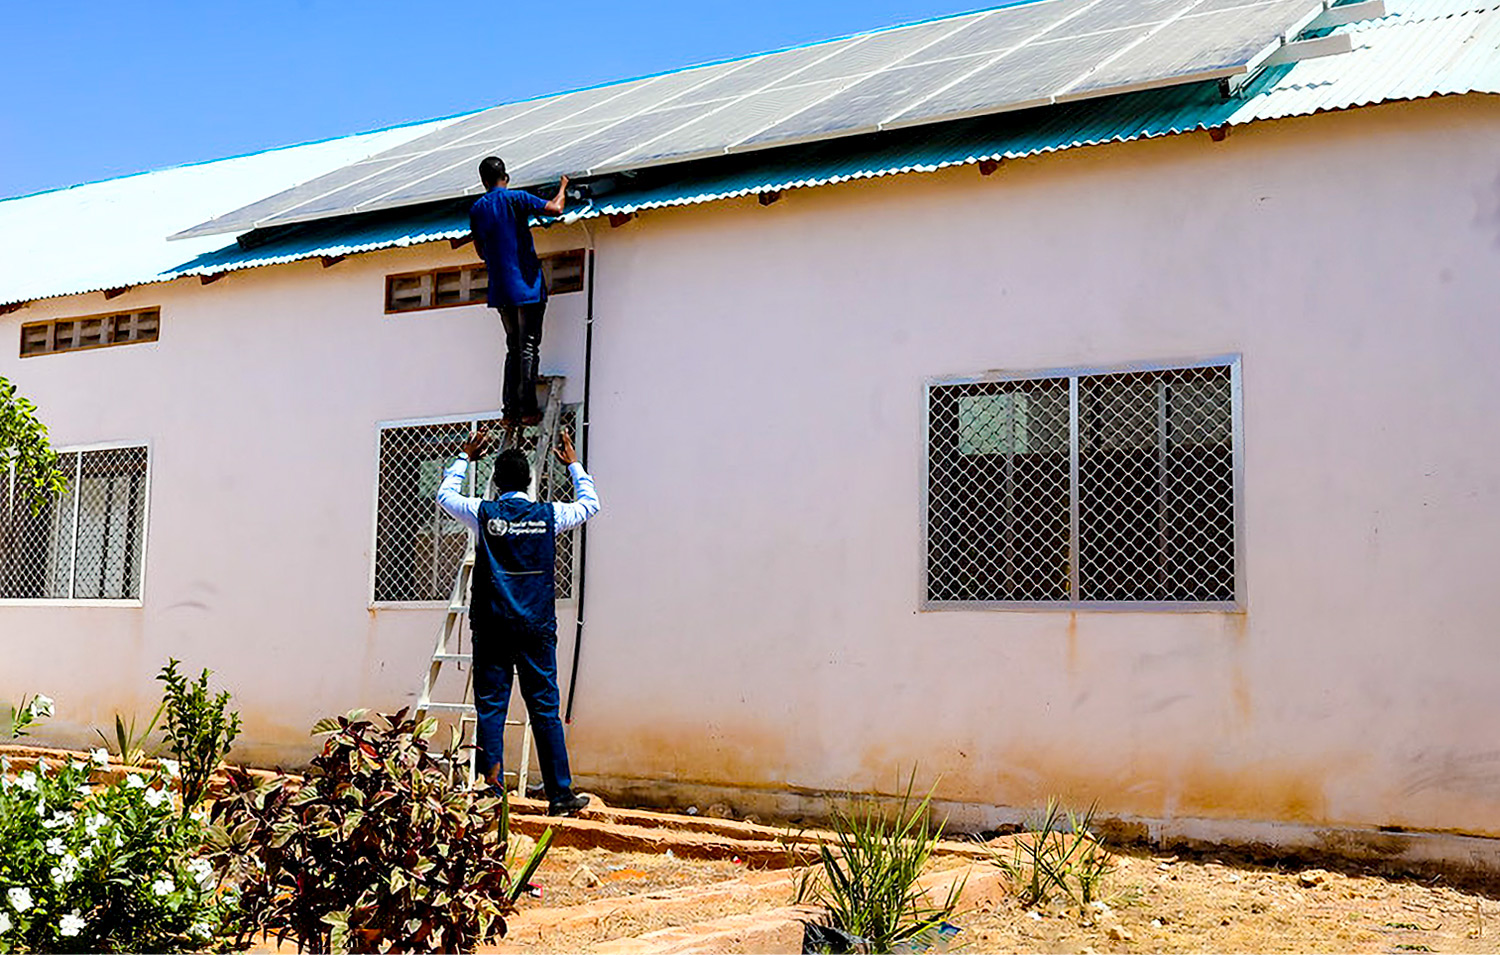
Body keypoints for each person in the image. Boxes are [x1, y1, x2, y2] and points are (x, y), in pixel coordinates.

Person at [436, 426, 599, 815]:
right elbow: (590, 504)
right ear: (529, 481)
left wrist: (464, 458)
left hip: (491, 626)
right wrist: (574, 466)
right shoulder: (550, 515)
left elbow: (444, 496)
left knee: (491, 708)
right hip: (536, 628)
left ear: (495, 481)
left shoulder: (483, 513)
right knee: (544, 709)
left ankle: (491, 795)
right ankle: (560, 796)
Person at [469, 156, 569, 426]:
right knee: (528, 347)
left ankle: (509, 411)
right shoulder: (516, 199)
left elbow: (480, 250)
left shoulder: (477, 209)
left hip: (501, 290)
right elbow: (556, 209)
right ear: (506, 177)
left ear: (483, 181)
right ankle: (527, 410)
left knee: (513, 348)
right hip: (527, 286)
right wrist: (562, 187)